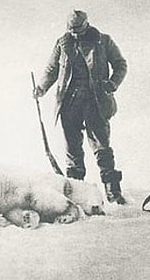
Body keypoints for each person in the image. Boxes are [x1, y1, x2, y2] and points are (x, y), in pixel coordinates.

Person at [32, 10, 128, 204]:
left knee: (101, 144)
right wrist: (41, 87)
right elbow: (52, 69)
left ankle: (112, 189)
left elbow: (120, 64)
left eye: (78, 29)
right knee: (72, 147)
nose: (74, 33)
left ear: (86, 24)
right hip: (69, 102)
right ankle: (76, 189)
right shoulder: (62, 43)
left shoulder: (103, 41)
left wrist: (112, 83)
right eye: (71, 29)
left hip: (96, 101)